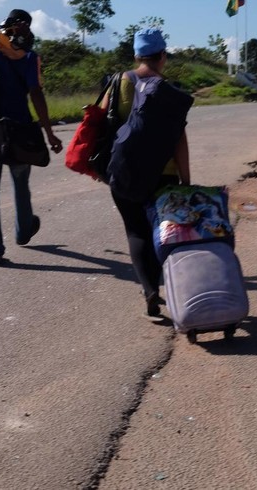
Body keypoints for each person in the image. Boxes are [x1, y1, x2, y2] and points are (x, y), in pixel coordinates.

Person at [0, 9, 62, 266]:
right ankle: (23, 230)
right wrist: (49, 132)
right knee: (20, 182)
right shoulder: (29, 57)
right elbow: (36, 94)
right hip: (20, 129)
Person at [103, 28, 191, 321]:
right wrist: (185, 179)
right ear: (162, 56)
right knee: (162, 232)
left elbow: (100, 123)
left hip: (124, 171)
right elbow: (179, 139)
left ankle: (150, 289)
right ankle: (173, 288)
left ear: (136, 55)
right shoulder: (168, 91)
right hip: (163, 175)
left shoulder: (119, 82)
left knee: (135, 230)